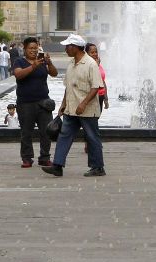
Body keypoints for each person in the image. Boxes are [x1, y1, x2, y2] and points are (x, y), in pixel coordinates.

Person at [41, 33, 105, 177]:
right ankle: (57, 165)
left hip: (87, 110)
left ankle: (98, 167)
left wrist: (84, 103)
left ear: (76, 47)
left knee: (92, 137)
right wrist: (63, 104)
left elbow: (96, 87)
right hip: (71, 108)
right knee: (64, 135)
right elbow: (68, 86)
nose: (66, 49)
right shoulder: (71, 64)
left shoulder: (90, 64)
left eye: (68, 46)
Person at [12, 36, 59, 168]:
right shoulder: (19, 61)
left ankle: (44, 157)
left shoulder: (42, 61)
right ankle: (27, 158)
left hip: (43, 102)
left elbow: (54, 74)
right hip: (25, 103)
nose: (33, 50)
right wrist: (33, 66)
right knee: (26, 132)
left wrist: (49, 63)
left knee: (47, 131)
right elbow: (18, 75)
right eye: (30, 48)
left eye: (35, 48)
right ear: (25, 49)